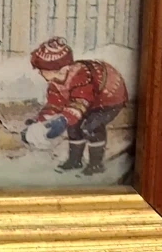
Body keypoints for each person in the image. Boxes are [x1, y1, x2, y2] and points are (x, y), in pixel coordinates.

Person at [22, 37, 129, 175]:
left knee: (91, 126)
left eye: (43, 69)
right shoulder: (55, 83)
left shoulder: (80, 76)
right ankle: (75, 160)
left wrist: (62, 121)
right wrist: (39, 123)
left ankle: (96, 164)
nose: (39, 72)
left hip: (109, 98)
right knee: (73, 125)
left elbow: (80, 102)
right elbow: (54, 105)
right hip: (88, 101)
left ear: (60, 69)